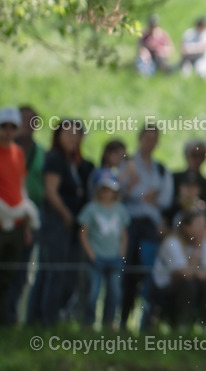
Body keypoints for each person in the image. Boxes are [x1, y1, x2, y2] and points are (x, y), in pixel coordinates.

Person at [30, 118, 94, 326]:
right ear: (58, 136)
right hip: (56, 223)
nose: (73, 139)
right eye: (68, 134)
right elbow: (51, 191)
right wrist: (66, 214)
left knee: (61, 272)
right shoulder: (55, 158)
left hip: (70, 224)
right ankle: (45, 320)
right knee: (53, 272)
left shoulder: (76, 163)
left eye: (77, 135)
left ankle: (45, 319)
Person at [118, 124, 173, 329]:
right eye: (147, 138)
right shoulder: (128, 164)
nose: (150, 143)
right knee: (128, 273)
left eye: (154, 139)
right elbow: (120, 192)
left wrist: (140, 194)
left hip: (151, 227)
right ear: (139, 138)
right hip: (130, 224)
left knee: (149, 272)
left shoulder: (160, 169)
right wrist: (147, 195)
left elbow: (166, 199)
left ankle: (147, 323)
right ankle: (123, 320)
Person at [0, 106, 39, 325]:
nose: (7, 131)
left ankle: (5, 323)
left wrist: (25, 222)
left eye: (11, 127)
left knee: (9, 277)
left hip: (16, 224)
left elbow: (20, 186)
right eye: (3, 126)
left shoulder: (18, 153)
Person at [78, 170, 129, 330]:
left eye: (110, 189)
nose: (106, 192)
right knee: (92, 292)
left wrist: (121, 253)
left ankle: (109, 323)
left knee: (115, 293)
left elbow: (124, 234)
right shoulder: (91, 209)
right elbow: (83, 233)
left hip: (114, 257)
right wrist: (91, 254)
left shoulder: (120, 209)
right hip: (96, 257)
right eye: (103, 188)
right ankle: (88, 323)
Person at [151, 210, 206, 328]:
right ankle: (181, 325)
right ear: (186, 226)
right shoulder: (172, 242)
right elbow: (182, 274)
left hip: (192, 282)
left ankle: (205, 325)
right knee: (188, 285)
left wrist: (198, 274)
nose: (202, 229)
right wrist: (197, 251)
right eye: (198, 225)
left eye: (204, 225)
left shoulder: (203, 242)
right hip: (165, 287)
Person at [171, 139, 206, 231]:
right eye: (194, 155)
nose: (197, 159)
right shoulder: (174, 179)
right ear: (186, 155)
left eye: (201, 155)